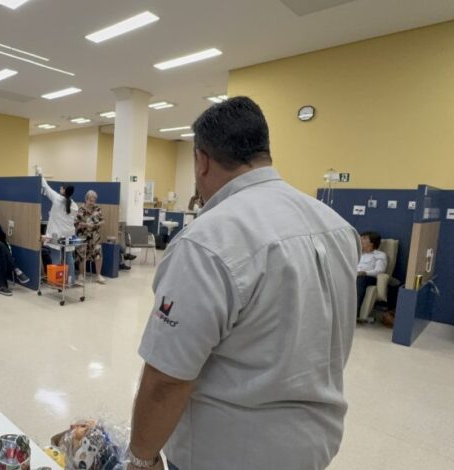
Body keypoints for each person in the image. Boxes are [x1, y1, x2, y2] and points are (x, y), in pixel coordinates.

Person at [128, 97, 360, 470]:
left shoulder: (208, 240)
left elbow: (168, 379)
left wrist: (142, 458)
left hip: (228, 453)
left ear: (202, 161)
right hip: (314, 446)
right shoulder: (336, 226)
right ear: (263, 150)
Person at [41, 177, 79, 285]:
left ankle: (56, 282)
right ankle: (71, 281)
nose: (59, 189)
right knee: (69, 256)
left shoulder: (57, 199)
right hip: (69, 235)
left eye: (61, 188)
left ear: (63, 190)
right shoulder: (74, 205)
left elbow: (46, 187)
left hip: (56, 235)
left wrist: (40, 174)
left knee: (56, 256)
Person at [76, 190, 106, 284]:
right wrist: (85, 225)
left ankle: (98, 275)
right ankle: (81, 274)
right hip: (83, 236)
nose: (92, 202)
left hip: (95, 236)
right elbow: (76, 223)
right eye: (90, 200)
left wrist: (97, 224)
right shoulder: (81, 210)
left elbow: (103, 221)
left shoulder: (97, 209)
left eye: (93, 200)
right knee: (82, 255)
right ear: (86, 199)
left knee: (98, 254)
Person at [356, 231, 388, 311]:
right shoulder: (358, 254)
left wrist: (365, 273)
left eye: (364, 238)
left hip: (368, 278)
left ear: (372, 243)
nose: (360, 240)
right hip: (354, 275)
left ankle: (354, 312)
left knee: (360, 280)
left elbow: (379, 271)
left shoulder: (380, 255)